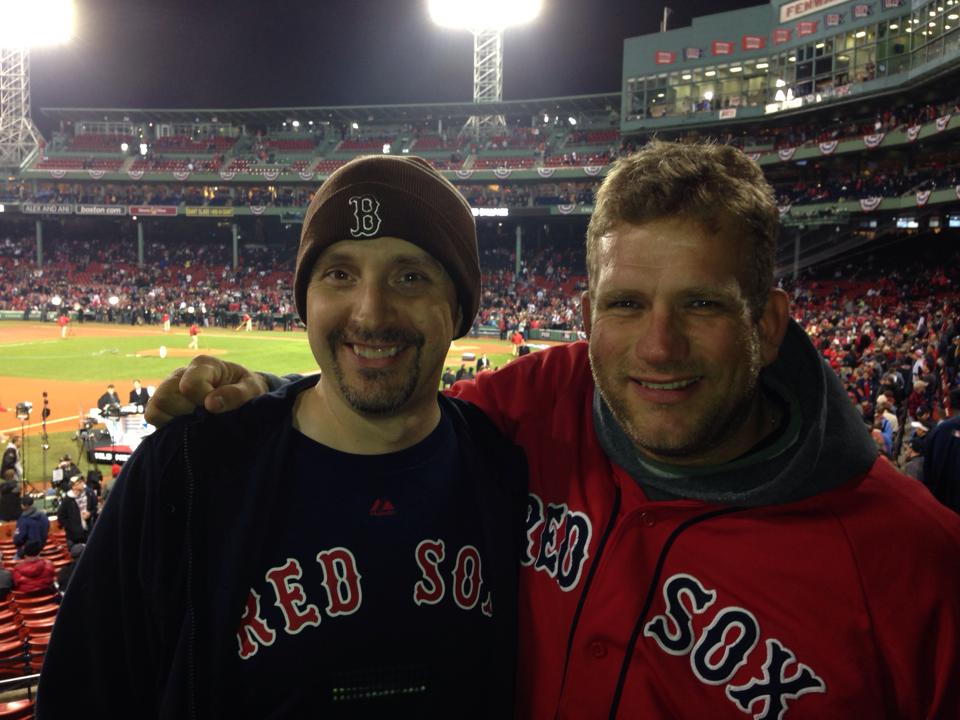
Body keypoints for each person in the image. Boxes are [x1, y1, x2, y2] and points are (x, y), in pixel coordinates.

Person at [147, 141, 960, 718]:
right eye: (626, 304)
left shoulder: (917, 565)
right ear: (586, 318)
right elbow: (388, 395)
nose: (658, 346)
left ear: (772, 322)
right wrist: (268, 395)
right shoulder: (541, 400)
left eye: (703, 304)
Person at [40, 155, 527, 718]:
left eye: (410, 276)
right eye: (339, 274)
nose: (370, 313)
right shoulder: (187, 472)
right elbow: (82, 695)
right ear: (305, 300)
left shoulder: (505, 471)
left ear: (461, 305)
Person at [56, 474, 97, 548]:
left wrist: (90, 514)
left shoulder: (89, 493)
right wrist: (72, 527)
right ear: (73, 487)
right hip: (75, 537)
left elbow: (95, 508)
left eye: (82, 482)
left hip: (88, 532)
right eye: (79, 483)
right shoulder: (67, 500)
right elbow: (61, 517)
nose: (82, 484)